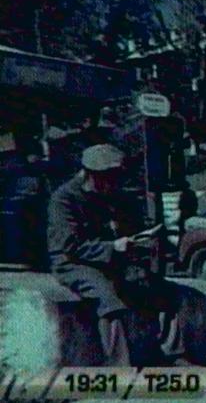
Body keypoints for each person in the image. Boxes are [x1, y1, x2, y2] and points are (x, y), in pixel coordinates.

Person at [47, 144, 185, 366]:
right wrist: (113, 247)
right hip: (72, 263)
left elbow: (127, 227)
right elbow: (69, 245)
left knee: (161, 288)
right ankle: (119, 367)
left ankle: (172, 355)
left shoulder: (111, 193)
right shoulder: (64, 199)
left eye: (115, 178)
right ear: (90, 174)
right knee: (108, 297)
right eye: (108, 178)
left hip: (110, 259)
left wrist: (141, 239)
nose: (113, 184)